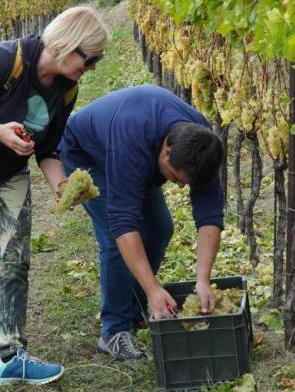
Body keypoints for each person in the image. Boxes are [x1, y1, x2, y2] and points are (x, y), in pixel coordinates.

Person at [0, 6, 110, 385]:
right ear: (68, 45)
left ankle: (10, 354)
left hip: (8, 174)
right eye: (90, 59)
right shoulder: (3, 60)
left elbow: (48, 149)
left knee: (15, 259)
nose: (91, 68)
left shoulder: (68, 89)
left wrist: (59, 185)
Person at [58, 85, 225, 360]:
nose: (182, 187)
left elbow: (210, 217)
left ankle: (135, 307)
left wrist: (203, 279)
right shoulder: (131, 141)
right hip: (89, 154)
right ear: (165, 149)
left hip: (137, 151)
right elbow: (123, 223)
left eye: (187, 182)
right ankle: (114, 329)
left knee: (160, 228)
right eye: (176, 177)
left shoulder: (203, 145)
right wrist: (153, 288)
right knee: (115, 239)